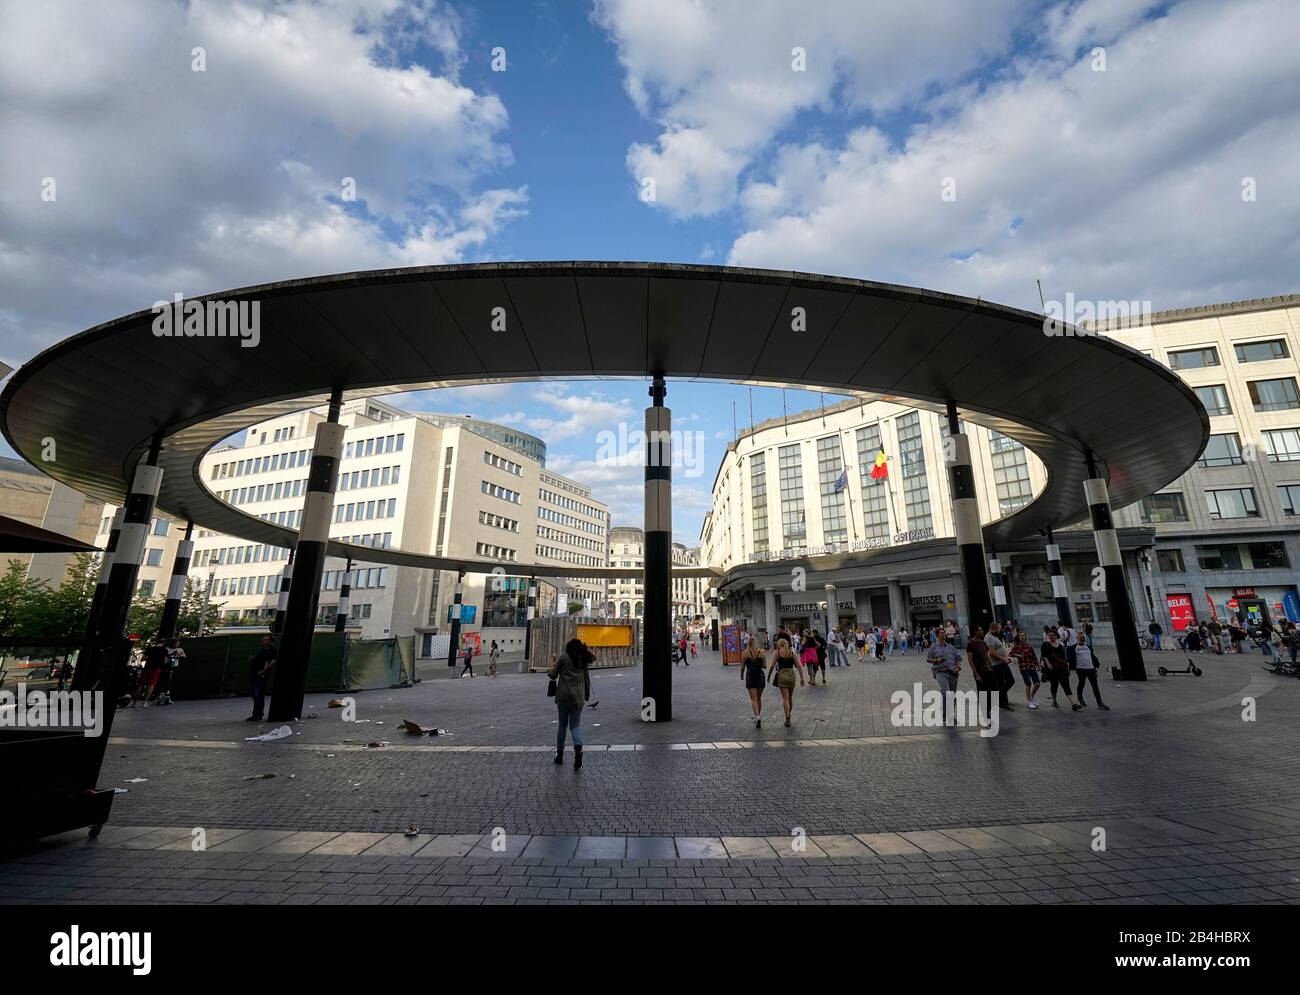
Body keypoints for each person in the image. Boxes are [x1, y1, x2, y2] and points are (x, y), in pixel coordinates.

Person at [549, 638, 593, 769]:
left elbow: (553, 675)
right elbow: (591, 663)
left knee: (562, 725)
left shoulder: (563, 658)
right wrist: (584, 649)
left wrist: (552, 667)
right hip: (578, 698)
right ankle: (578, 749)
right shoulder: (583, 659)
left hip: (563, 696)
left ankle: (559, 755)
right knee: (575, 725)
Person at [766, 636, 806, 727]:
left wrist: (768, 676)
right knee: (790, 698)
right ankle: (789, 716)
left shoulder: (777, 653)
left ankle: (787, 718)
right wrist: (802, 679)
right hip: (791, 675)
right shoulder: (792, 653)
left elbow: (772, 666)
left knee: (785, 698)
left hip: (782, 675)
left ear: (779, 645)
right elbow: (799, 666)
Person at [927, 630, 963, 725]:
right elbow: (928, 659)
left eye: (944, 633)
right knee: (946, 693)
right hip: (941, 672)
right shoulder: (933, 647)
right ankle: (944, 715)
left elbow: (958, 657)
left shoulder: (950, 647)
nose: (944, 634)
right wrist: (937, 660)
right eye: (942, 633)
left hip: (953, 673)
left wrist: (958, 666)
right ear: (937, 635)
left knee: (952, 694)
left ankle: (950, 715)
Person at [1039, 628, 1079, 709]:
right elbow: (1044, 656)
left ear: (1056, 636)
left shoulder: (1060, 645)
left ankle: (1073, 703)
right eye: (1049, 635)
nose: (1050, 637)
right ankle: (1054, 701)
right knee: (1054, 685)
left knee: (1066, 685)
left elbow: (1063, 657)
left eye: (1052, 635)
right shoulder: (1045, 644)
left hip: (1061, 667)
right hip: (1052, 668)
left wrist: (1067, 665)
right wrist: (1048, 664)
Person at [1067, 631, 1109, 710]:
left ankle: (1099, 702)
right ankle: (1080, 697)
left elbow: (1092, 658)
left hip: (1091, 669)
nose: (1083, 639)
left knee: (1095, 686)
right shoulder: (1074, 648)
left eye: (1083, 637)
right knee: (1081, 683)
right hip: (1081, 669)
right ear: (1077, 638)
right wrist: (1070, 667)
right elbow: (1070, 659)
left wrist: (1095, 669)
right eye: (1081, 637)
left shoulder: (1088, 647)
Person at [965, 626, 995, 718]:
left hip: (988, 670)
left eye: (982, 630)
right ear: (975, 632)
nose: (982, 632)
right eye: (980, 630)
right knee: (982, 692)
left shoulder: (983, 643)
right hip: (979, 671)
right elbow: (970, 660)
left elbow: (986, 656)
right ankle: (985, 714)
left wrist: (990, 666)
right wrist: (976, 674)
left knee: (990, 692)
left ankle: (989, 711)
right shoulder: (970, 644)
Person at [984, 622, 1015, 711]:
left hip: (1002, 663)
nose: (1000, 630)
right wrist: (1003, 659)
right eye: (999, 629)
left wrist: (1006, 657)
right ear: (993, 629)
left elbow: (999, 649)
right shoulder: (989, 638)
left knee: (1009, 681)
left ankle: (1001, 697)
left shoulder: (994, 637)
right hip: (996, 665)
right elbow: (991, 652)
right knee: (1003, 683)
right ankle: (1002, 702)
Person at [1009, 629, 1042, 709]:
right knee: (1028, 684)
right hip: (1023, 667)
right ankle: (1029, 701)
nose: (1022, 637)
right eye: (1020, 636)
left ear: (1025, 637)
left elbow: (1034, 656)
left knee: (1037, 683)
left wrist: (1037, 664)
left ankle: (1031, 697)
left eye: (1023, 636)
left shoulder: (1029, 646)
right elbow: (1011, 653)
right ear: (1018, 637)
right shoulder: (1017, 646)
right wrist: (1018, 655)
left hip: (1031, 666)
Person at [247, 635, 276, 721]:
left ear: (270, 641)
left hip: (260, 675)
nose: (263, 641)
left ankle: (258, 714)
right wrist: (252, 659)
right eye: (263, 639)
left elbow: (271, 661)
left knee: (257, 694)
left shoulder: (271, 651)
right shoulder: (262, 651)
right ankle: (256, 713)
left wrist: (263, 671)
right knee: (254, 694)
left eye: (265, 639)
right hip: (255, 674)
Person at [740, 636, 767, 728]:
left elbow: (743, 667)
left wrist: (741, 675)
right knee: (759, 698)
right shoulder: (761, 653)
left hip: (750, 676)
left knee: (753, 699)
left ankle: (757, 716)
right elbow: (765, 666)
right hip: (760, 675)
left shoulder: (745, 653)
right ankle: (758, 715)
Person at [158, 638, 185, 704]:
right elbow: (164, 657)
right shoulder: (167, 649)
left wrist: (179, 655)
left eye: (178, 644)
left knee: (171, 680)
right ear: (172, 643)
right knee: (165, 680)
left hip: (174, 664)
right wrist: (172, 654)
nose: (177, 645)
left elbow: (184, 655)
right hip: (166, 666)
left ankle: (168, 696)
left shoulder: (180, 649)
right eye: (176, 643)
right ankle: (161, 695)